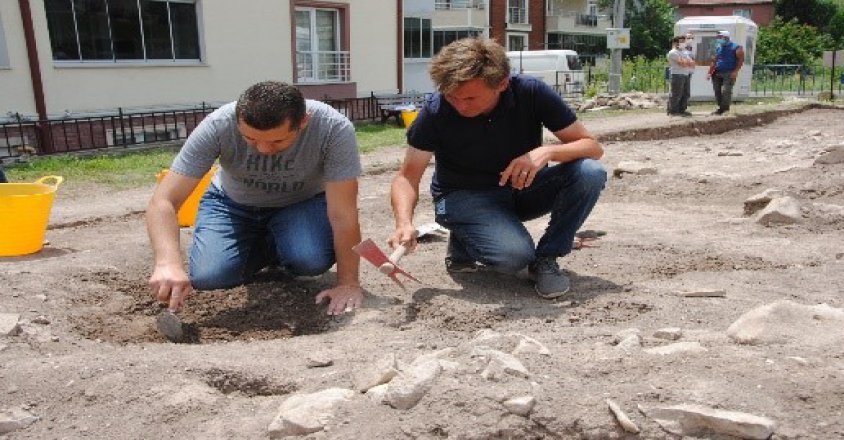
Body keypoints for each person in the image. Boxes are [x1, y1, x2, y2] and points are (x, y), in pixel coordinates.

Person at [388, 37, 606, 299]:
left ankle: (546, 258)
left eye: (469, 97)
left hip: (520, 190)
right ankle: (465, 236)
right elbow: (407, 178)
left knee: (590, 173)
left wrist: (546, 151)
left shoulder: (531, 92)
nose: (459, 105)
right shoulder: (437, 111)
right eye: (451, 96)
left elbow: (592, 148)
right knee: (514, 257)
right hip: (464, 197)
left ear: (502, 84)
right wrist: (403, 222)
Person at [147, 81, 363, 316]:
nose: (263, 149)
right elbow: (163, 201)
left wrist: (348, 283)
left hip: (300, 203)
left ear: (303, 122)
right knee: (210, 277)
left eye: (277, 141)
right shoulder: (218, 124)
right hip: (231, 204)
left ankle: (285, 243)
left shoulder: (333, 129)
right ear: (238, 121)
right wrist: (167, 263)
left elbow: (343, 214)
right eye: (250, 139)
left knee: (309, 260)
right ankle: (272, 244)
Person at [708, 30, 744, 115]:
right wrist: (709, 72)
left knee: (726, 91)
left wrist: (735, 71)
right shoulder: (718, 47)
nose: (718, 39)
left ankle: (725, 109)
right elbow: (714, 60)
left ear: (726, 38)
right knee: (717, 91)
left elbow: (741, 60)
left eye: (720, 37)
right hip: (717, 72)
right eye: (718, 37)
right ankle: (721, 108)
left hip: (729, 72)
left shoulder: (736, 47)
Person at [667, 35, 695, 116]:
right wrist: (686, 62)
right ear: (676, 43)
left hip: (685, 74)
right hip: (677, 75)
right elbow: (682, 64)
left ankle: (682, 110)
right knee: (676, 93)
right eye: (681, 42)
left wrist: (686, 62)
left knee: (686, 93)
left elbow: (692, 64)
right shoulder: (673, 52)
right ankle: (673, 111)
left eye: (684, 41)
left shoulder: (684, 52)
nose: (683, 43)